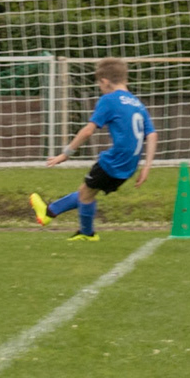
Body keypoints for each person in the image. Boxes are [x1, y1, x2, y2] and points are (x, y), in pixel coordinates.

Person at [29, 57, 157, 241]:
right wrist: (147, 167)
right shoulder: (137, 104)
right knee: (87, 190)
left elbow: (88, 131)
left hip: (114, 161)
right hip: (130, 165)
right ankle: (51, 213)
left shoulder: (109, 100)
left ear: (104, 81)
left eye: (99, 83)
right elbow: (152, 134)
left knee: (86, 195)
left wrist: (65, 154)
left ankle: (85, 232)